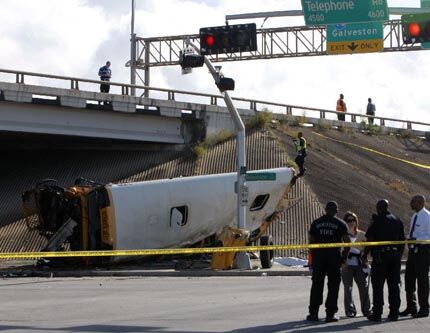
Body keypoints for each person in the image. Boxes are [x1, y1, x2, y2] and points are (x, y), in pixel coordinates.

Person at [306, 201, 350, 322]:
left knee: (316, 285)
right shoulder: (341, 224)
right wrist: (344, 258)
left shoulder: (316, 223)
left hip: (319, 258)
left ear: (325, 209)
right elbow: (347, 243)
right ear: (336, 211)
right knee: (333, 286)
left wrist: (314, 257)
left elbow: (311, 242)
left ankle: (313, 313)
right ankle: (330, 314)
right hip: (334, 258)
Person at [363, 199, 405, 322]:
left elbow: (370, 239)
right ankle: (394, 313)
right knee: (394, 285)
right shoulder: (397, 220)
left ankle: (377, 313)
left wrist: (365, 254)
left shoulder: (376, 220)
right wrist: (398, 255)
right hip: (395, 256)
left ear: (378, 207)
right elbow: (402, 241)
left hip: (381, 257)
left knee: (378, 286)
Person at [400, 195, 430, 318]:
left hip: (423, 251)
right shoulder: (415, 216)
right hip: (413, 251)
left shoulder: (427, 216)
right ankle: (411, 306)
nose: (411, 203)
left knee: (422, 280)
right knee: (409, 278)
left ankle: (424, 308)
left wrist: (416, 239)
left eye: (413, 201)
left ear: (421, 202)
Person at [341, 211, 371, 318]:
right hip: (346, 264)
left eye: (353, 220)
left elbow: (366, 248)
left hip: (359, 264)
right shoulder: (342, 235)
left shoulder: (362, 234)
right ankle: (350, 310)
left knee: (364, 287)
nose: (351, 222)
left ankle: (367, 309)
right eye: (349, 220)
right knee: (348, 288)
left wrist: (366, 262)